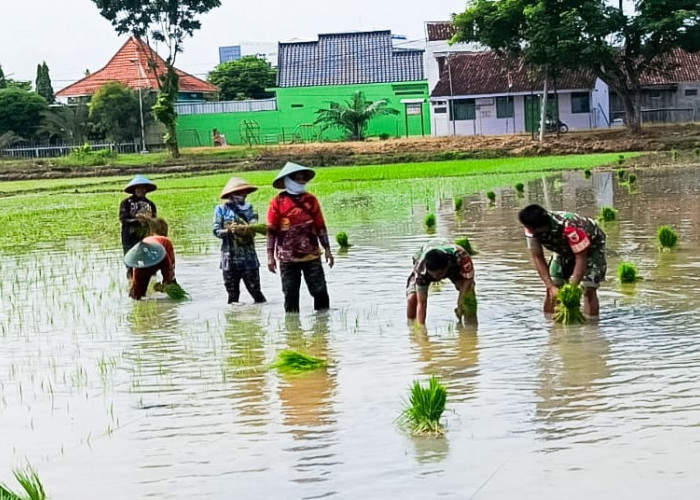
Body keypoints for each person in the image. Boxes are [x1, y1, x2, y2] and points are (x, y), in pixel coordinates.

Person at [267, 162, 334, 313]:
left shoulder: (311, 200)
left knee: (320, 292)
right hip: (287, 257)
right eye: (297, 179)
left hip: (311, 255)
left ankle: (322, 328)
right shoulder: (277, 202)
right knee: (290, 295)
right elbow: (271, 231)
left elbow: (320, 227)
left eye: (303, 179)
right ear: (288, 181)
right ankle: (292, 333)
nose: (301, 182)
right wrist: (270, 256)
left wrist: (328, 250)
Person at [518, 204, 607, 317]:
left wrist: (572, 287)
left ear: (543, 226)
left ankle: (592, 327)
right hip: (563, 249)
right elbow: (537, 257)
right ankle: (550, 325)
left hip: (591, 247)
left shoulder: (570, 226)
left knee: (588, 289)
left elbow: (581, 257)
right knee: (554, 287)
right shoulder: (531, 228)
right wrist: (550, 286)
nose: (529, 230)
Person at [213, 177, 266, 304]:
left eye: (243, 192)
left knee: (256, 293)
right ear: (230, 194)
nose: (241, 195)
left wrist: (244, 229)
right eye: (238, 192)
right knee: (232, 295)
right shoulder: (221, 209)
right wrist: (228, 231)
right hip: (229, 259)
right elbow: (216, 230)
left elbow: (253, 229)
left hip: (249, 259)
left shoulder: (251, 209)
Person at [406, 241, 476, 326]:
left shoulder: (461, 256)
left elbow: (468, 279)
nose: (437, 277)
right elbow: (422, 303)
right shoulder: (421, 268)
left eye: (440, 274)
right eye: (434, 275)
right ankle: (411, 326)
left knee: (469, 290)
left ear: (447, 267)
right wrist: (421, 330)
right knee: (412, 298)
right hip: (425, 267)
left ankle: (471, 323)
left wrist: (460, 301)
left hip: (453, 266)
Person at [125, 217, 177, 300]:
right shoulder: (165, 241)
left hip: (145, 262)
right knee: (171, 287)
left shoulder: (144, 244)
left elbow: (136, 268)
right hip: (159, 258)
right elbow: (170, 265)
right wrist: (168, 281)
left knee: (136, 295)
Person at [119, 175, 157, 278]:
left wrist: (149, 222)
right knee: (131, 263)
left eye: (142, 188)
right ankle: (132, 285)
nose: (140, 190)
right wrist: (138, 220)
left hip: (145, 238)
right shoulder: (126, 203)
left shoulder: (150, 204)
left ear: (146, 189)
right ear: (134, 189)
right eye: (138, 188)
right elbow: (123, 219)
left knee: (149, 264)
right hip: (129, 237)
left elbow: (154, 221)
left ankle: (148, 286)